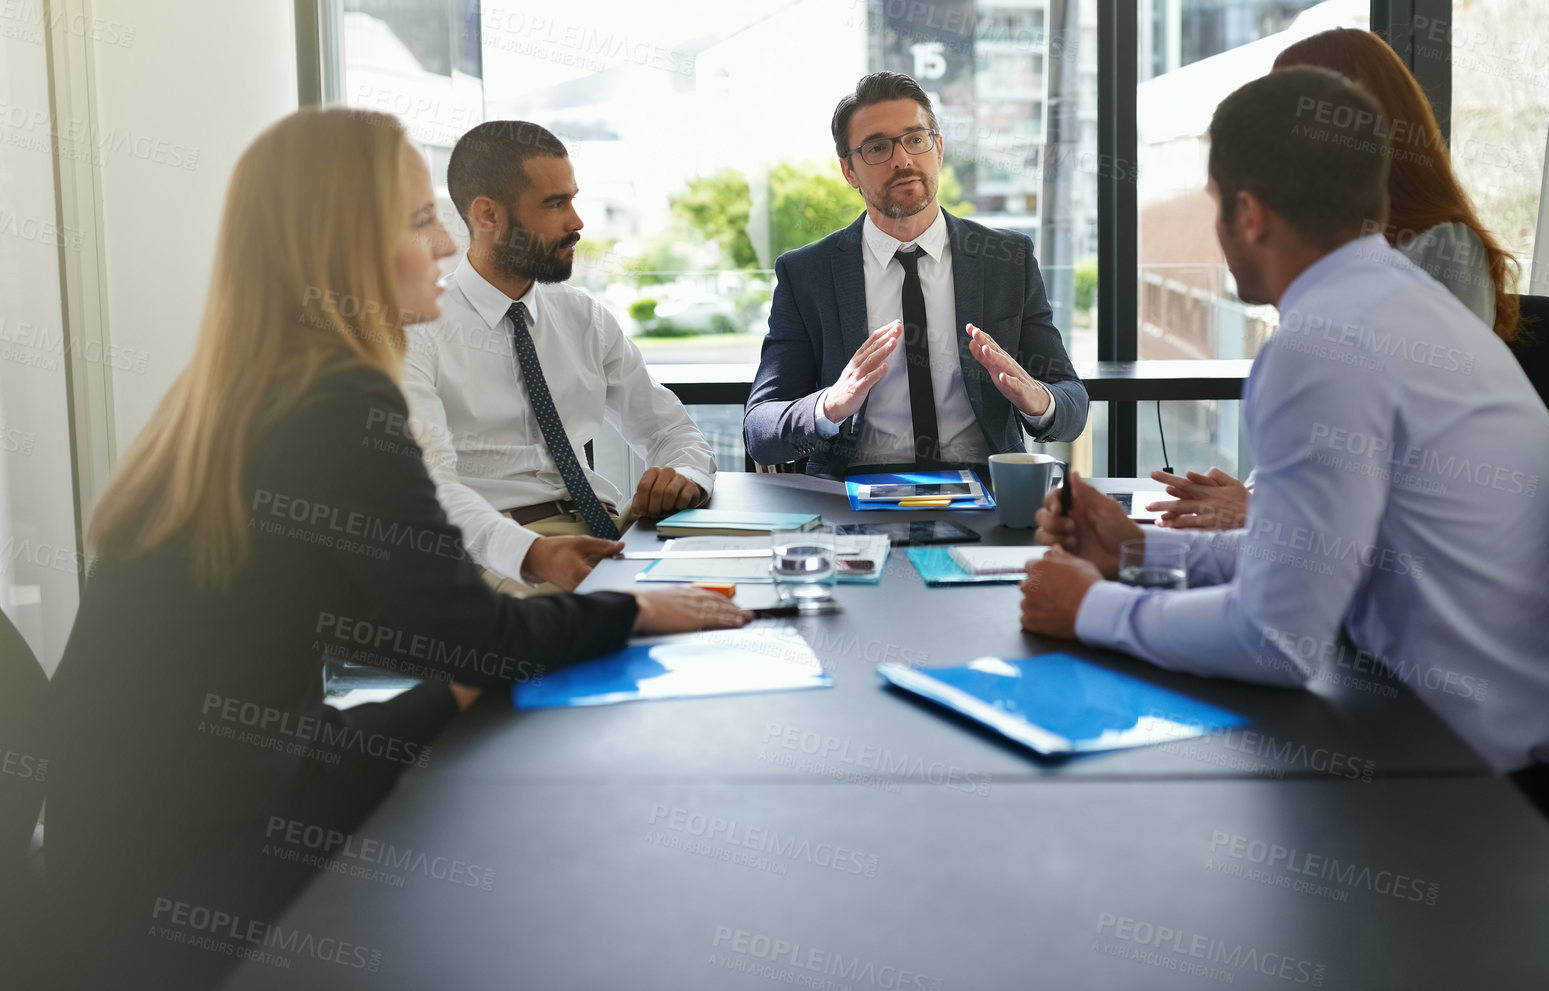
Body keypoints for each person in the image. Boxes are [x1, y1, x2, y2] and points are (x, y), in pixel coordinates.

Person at [43, 109, 746, 988]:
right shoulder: (334, 402)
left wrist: (465, 661)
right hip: (190, 885)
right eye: (421, 222)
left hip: (133, 850)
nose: (447, 247)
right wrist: (636, 609)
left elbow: (395, 629)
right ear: (350, 246)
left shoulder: (243, 390)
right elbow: (470, 636)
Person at [1018, 67, 1549, 781]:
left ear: (1248, 215)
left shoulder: (1321, 346)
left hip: (1486, 783)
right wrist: (1136, 553)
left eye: (1215, 206)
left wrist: (1091, 605)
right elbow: (1306, 554)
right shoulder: (1404, 304)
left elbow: (1274, 640)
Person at [1152, 27, 1524, 531]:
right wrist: (1259, 494)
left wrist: (1261, 509)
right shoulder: (1329, 267)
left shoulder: (1439, 251)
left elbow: (1408, 471)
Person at [405, 120, 718, 596]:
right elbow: (432, 491)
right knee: (632, 623)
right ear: (488, 215)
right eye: (554, 204)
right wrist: (531, 554)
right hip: (504, 548)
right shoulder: (420, 331)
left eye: (572, 199)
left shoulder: (584, 318)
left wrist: (684, 476)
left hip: (609, 527)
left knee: (749, 586)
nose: (576, 221)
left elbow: (670, 430)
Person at [744, 72, 1088, 478]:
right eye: (877, 147)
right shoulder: (807, 274)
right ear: (849, 171)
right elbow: (760, 428)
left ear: (938, 148)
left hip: (986, 487)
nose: (902, 159)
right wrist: (830, 405)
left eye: (915, 139)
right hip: (851, 494)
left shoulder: (1006, 260)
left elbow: (1072, 405)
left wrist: (1037, 398)